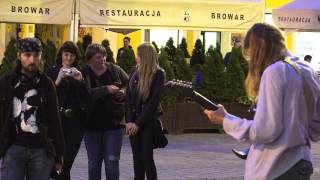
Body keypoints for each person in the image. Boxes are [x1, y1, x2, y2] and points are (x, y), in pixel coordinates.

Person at [204, 23, 320, 180]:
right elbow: (315, 127)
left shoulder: (275, 72)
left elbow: (265, 131)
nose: (252, 62)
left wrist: (225, 120)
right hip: (301, 162)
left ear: (260, 47)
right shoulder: (306, 69)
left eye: (251, 56)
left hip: (276, 167)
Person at [0, 37, 65, 180]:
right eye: (27, 55)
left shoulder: (46, 84)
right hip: (13, 147)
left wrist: (59, 153)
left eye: (36, 55)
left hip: (41, 148)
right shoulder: (6, 83)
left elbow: (55, 119)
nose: (32, 60)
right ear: (19, 56)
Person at [82, 44, 128, 180]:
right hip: (91, 125)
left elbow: (130, 84)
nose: (102, 60)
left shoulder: (115, 69)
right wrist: (106, 89)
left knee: (112, 161)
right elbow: (86, 94)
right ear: (89, 59)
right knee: (94, 162)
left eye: (104, 56)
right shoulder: (84, 72)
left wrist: (124, 92)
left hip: (114, 124)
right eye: (98, 57)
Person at [46, 41, 88, 180]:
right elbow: (45, 97)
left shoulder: (80, 71)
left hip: (76, 123)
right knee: (58, 162)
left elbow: (87, 97)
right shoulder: (52, 71)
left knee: (67, 162)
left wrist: (80, 81)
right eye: (66, 55)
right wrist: (57, 80)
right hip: (57, 121)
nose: (69, 58)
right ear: (61, 55)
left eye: (72, 55)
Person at [126, 43, 166, 180]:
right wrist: (129, 121)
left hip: (148, 122)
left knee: (146, 158)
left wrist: (138, 123)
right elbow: (128, 98)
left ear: (145, 56)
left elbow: (153, 103)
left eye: (138, 55)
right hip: (133, 121)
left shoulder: (159, 74)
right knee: (136, 159)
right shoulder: (134, 71)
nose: (136, 58)